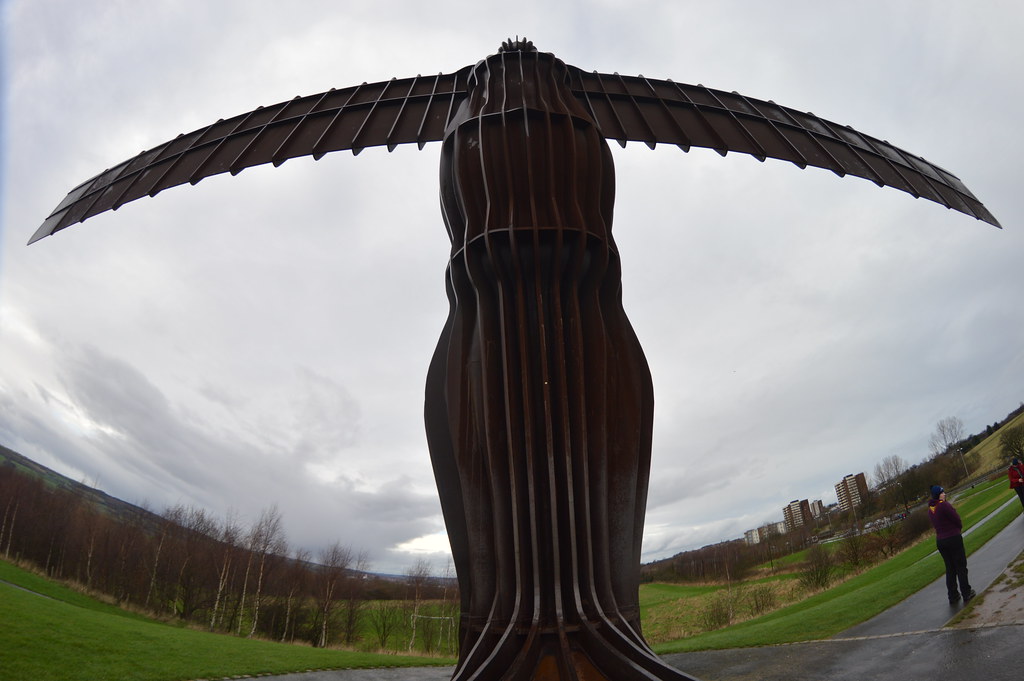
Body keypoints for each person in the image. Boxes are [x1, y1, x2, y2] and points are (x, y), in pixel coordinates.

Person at [927, 485, 976, 605]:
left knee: (950, 569)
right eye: (942, 493)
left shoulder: (931, 509)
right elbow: (956, 519)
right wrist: (958, 529)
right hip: (952, 538)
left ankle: (953, 596)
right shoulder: (943, 505)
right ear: (938, 495)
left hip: (941, 541)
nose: (944, 494)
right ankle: (966, 592)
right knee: (961, 566)